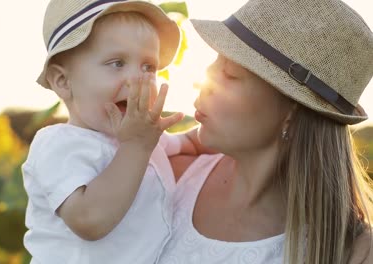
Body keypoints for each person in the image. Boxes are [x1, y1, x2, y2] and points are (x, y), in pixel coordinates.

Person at [157, 0, 373, 263]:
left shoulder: (353, 253)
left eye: (230, 73)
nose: (205, 79)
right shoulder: (169, 177)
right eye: (214, 62)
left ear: (291, 114)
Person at [21, 0, 200, 263]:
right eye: (117, 63)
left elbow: (191, 144)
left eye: (148, 67)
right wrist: (136, 147)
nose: (138, 79)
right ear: (63, 82)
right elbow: (89, 220)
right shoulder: (59, 144)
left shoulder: (145, 139)